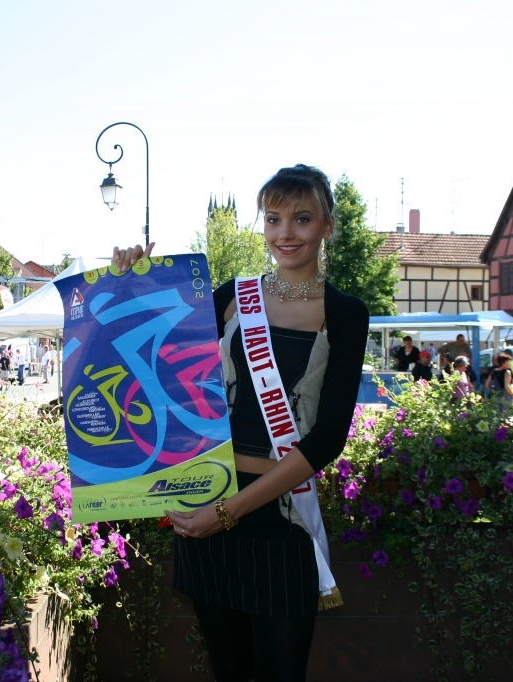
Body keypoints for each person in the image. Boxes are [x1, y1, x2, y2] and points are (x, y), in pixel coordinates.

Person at [116, 164, 368, 682]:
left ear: (327, 225)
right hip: (206, 500)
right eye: (273, 218)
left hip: (278, 519)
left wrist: (228, 513)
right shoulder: (235, 295)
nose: (285, 233)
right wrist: (135, 285)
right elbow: (162, 366)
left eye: (301, 218)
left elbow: (326, 439)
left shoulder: (345, 313)